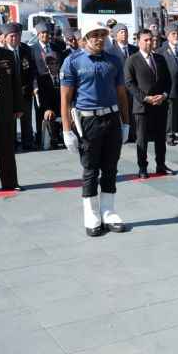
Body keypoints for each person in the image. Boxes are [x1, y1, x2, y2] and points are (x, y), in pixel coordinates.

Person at [60, 21, 131, 237]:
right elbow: (65, 98)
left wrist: (126, 122)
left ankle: (108, 210)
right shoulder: (73, 61)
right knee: (91, 169)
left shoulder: (114, 60)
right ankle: (91, 214)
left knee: (111, 167)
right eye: (95, 35)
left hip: (111, 118)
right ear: (86, 37)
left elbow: (121, 94)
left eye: (102, 34)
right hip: (88, 121)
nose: (99, 38)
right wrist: (66, 130)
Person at [124, 29, 174, 178]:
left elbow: (168, 80)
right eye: (146, 40)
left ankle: (161, 164)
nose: (149, 42)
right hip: (142, 106)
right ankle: (142, 167)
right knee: (142, 139)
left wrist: (164, 95)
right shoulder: (132, 60)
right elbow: (129, 83)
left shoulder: (160, 58)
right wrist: (145, 98)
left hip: (160, 104)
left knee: (160, 138)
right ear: (138, 41)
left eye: (151, 39)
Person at [0, 20, 23, 193]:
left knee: (7, 148)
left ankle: (10, 182)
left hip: (5, 110)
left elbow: (16, 83)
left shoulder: (7, 54)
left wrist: (18, 107)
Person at [158, 23, 178, 146]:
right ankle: (170, 136)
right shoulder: (162, 51)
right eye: (173, 34)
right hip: (170, 88)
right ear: (167, 36)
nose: (177, 36)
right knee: (171, 114)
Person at [37, 53, 63, 150]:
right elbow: (42, 98)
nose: (54, 66)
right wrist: (48, 109)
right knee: (48, 114)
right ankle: (54, 139)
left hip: (63, 107)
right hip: (50, 108)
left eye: (56, 63)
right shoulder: (42, 79)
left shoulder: (64, 76)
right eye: (51, 63)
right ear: (47, 65)